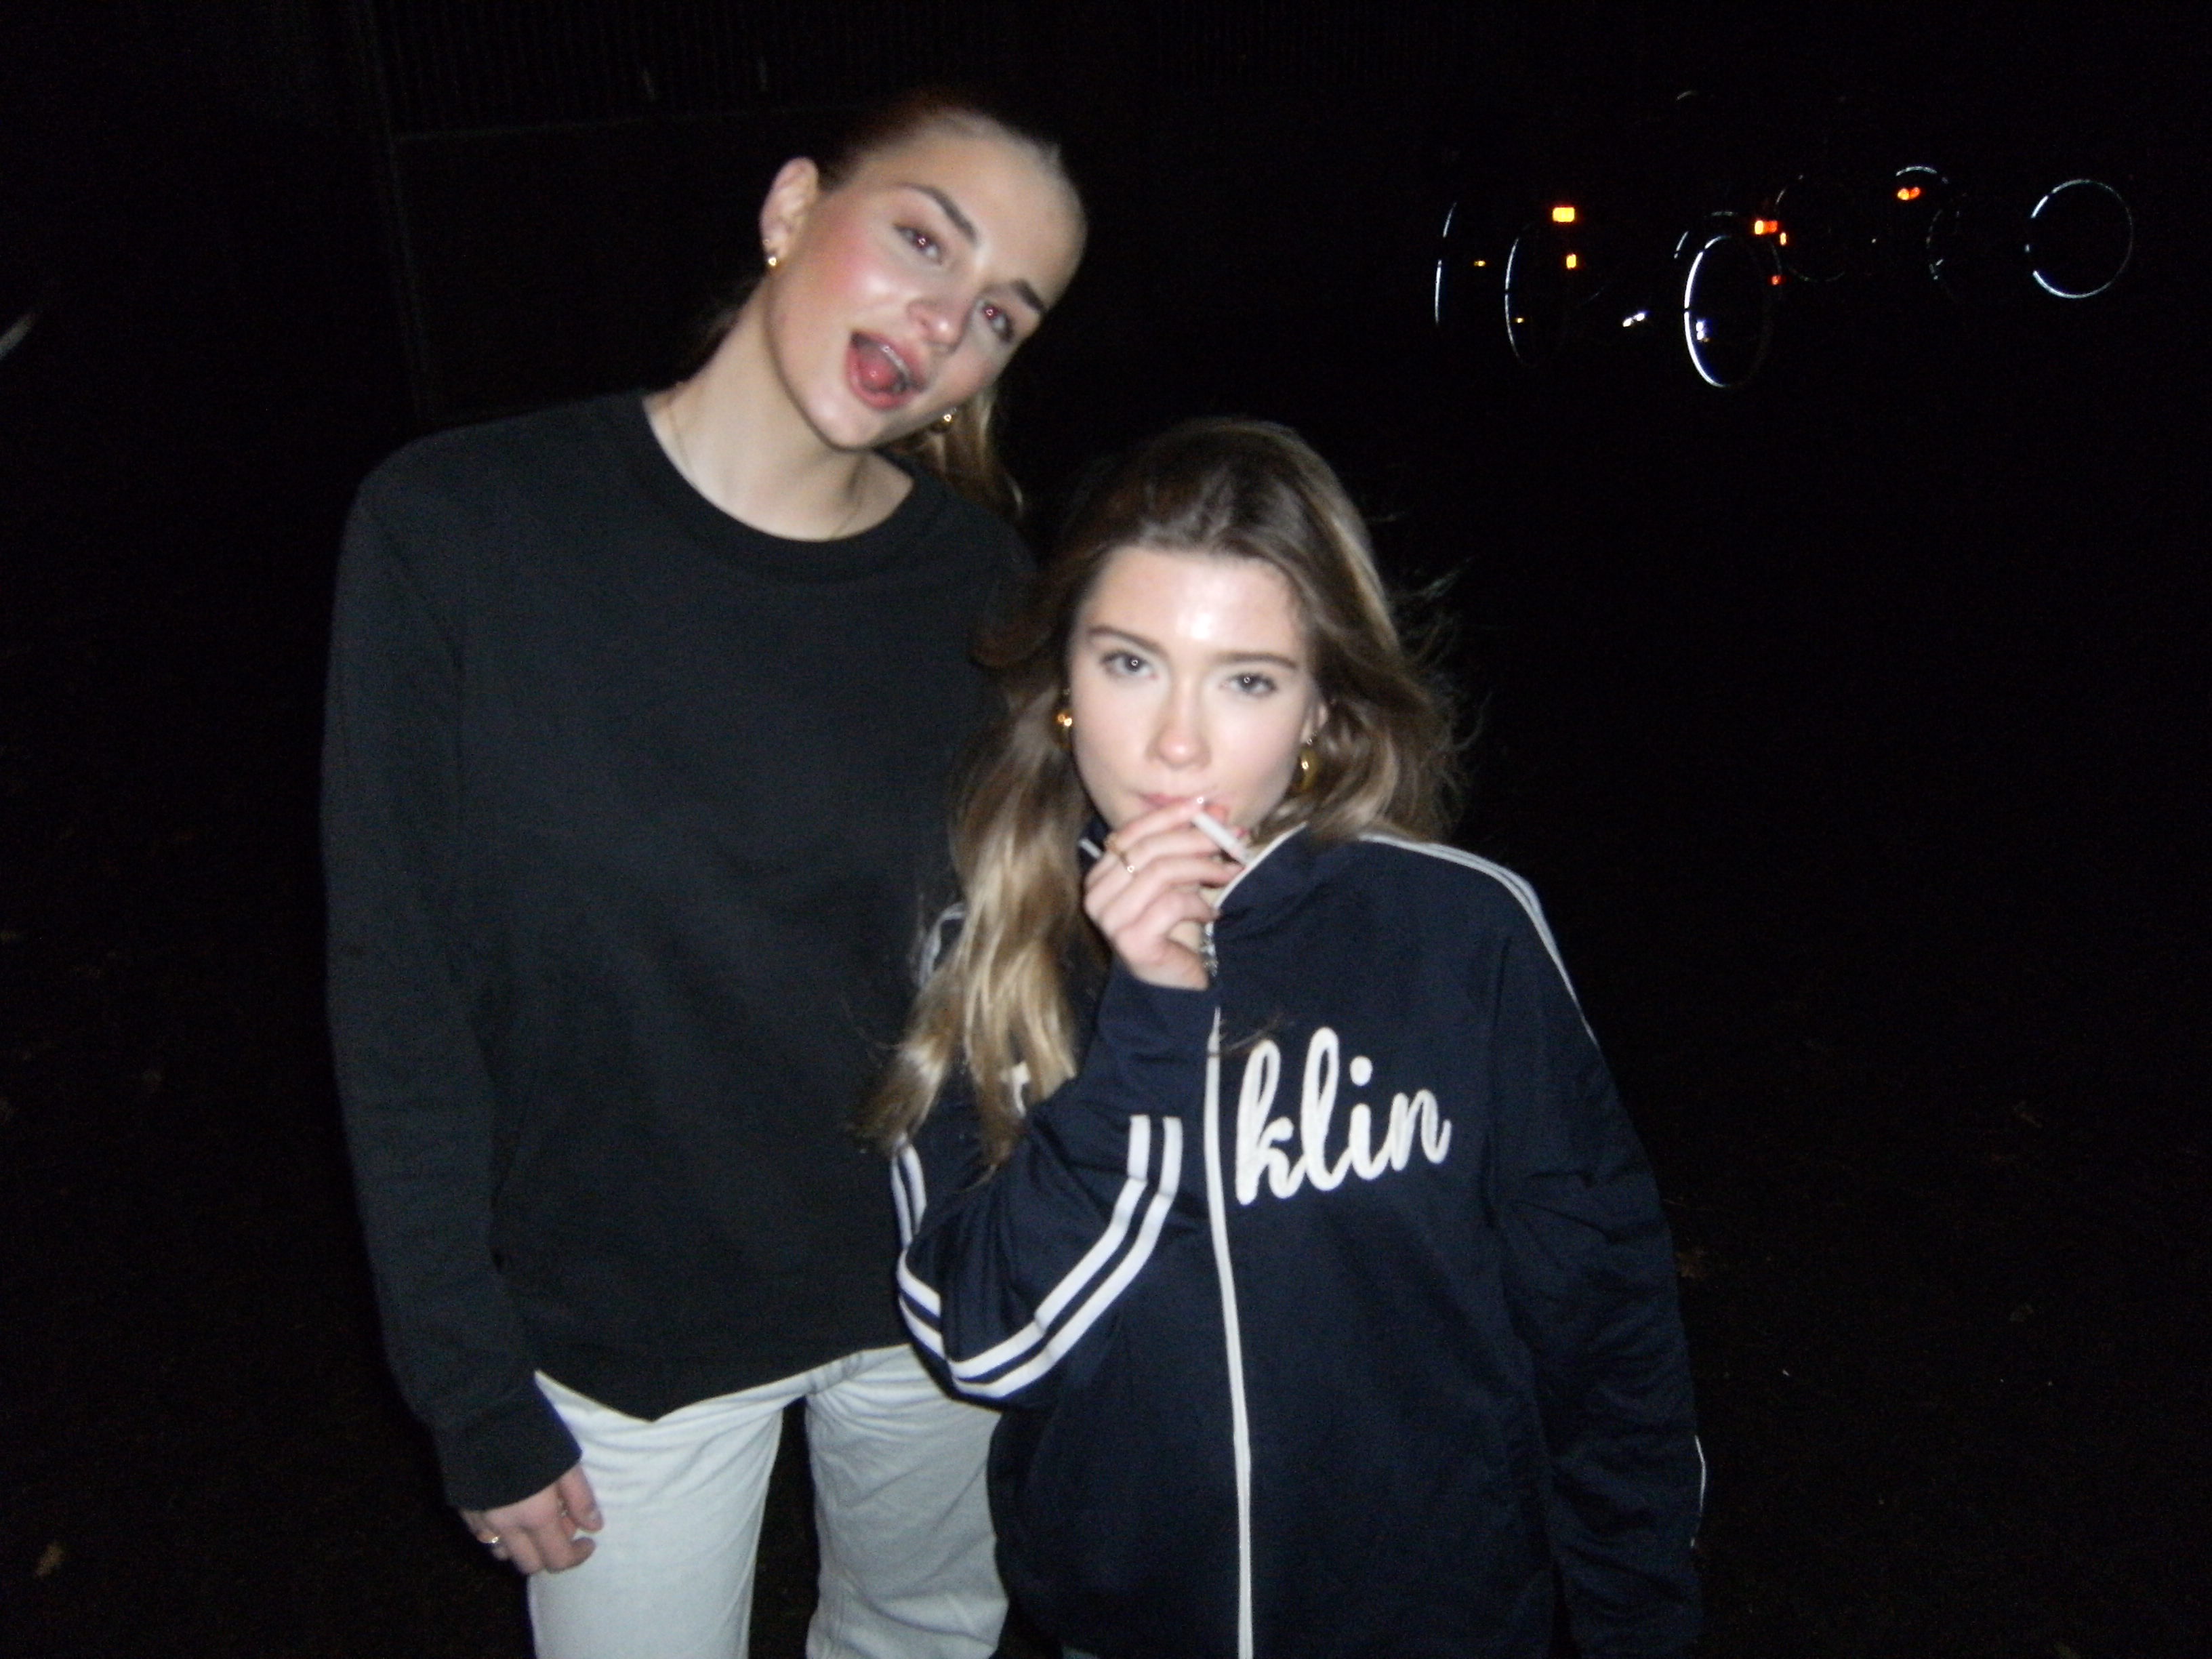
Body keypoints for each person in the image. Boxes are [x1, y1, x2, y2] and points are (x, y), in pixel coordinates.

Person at [323, 91, 1086, 1659]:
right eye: (923, 240)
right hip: (626, 1326)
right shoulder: (460, 529)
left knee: (921, 1638)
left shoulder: (981, 588)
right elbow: (400, 994)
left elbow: (1009, 962)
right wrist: (466, 1377)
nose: (944, 321)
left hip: (931, 1296)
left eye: (1001, 312)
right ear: (794, 207)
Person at [872, 420, 1704, 1659]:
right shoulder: (991, 954)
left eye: (1248, 681)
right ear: (1063, 687)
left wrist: (1640, 1615)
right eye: (1131, 663)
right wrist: (1151, 1024)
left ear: (1321, 705)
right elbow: (983, 1345)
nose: (1177, 746)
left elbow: (1600, 1311)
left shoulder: (1462, 932)